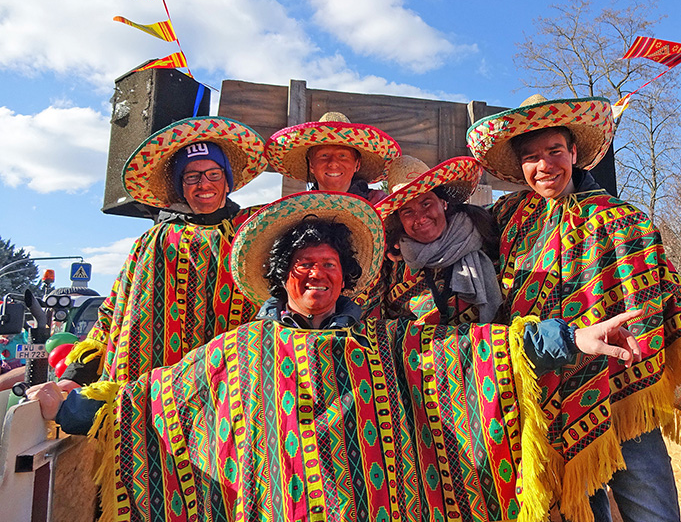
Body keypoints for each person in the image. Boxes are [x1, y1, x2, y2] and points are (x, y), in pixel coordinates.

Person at [28, 191, 644, 522]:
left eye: (329, 265)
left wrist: (568, 339)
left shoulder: (382, 342)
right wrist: (69, 409)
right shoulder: (235, 352)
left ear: (346, 277)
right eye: (302, 266)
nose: (316, 274)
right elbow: (151, 401)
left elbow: (476, 354)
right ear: (282, 279)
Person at [467, 94, 681, 522]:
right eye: (531, 157)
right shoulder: (504, 220)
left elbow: (670, 297)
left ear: (574, 153)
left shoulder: (624, 220)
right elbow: (449, 242)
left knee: (651, 504)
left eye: (554, 152)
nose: (544, 166)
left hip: (622, 386)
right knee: (580, 510)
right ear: (520, 166)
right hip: (545, 394)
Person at [59, 116, 268, 387]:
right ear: (181, 186)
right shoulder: (153, 242)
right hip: (156, 390)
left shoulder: (253, 233)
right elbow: (113, 311)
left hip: (232, 385)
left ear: (227, 182)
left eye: (214, 174)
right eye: (192, 176)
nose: (204, 184)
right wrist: (76, 375)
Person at [360, 154, 501, 324]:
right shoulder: (392, 263)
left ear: (443, 203)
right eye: (407, 212)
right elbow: (376, 322)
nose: (420, 218)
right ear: (400, 220)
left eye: (426, 204)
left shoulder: (485, 230)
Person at [265, 111, 400, 204]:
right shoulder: (295, 212)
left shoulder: (380, 206)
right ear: (311, 165)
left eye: (343, 156)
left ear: (357, 165)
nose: (333, 163)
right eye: (324, 155)